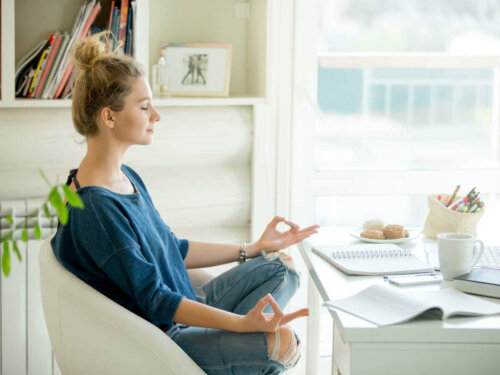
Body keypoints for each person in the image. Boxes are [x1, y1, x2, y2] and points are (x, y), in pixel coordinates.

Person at [50, 31, 319, 375]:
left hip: (188, 303)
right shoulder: (97, 210)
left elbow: (172, 248)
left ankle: (241, 351)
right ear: (109, 117)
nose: (156, 116)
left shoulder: (125, 176)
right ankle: (244, 349)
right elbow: (156, 300)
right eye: (145, 107)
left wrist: (252, 248)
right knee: (284, 343)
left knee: (282, 266)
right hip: (165, 338)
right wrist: (240, 324)